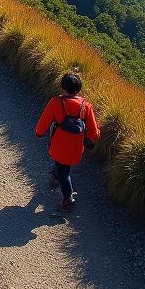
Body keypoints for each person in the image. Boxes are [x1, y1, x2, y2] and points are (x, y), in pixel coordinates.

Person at [35, 70, 101, 212]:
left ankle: (68, 199)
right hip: (76, 149)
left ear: (63, 88)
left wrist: (39, 133)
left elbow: (44, 122)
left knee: (64, 174)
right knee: (64, 166)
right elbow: (94, 133)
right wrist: (92, 141)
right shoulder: (86, 106)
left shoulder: (55, 102)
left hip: (58, 147)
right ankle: (54, 174)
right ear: (78, 90)